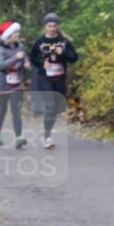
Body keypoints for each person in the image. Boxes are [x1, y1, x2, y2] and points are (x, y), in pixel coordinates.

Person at [28, 13, 78, 149]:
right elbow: (32, 58)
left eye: (54, 26)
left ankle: (47, 130)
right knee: (50, 105)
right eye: (49, 26)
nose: (52, 29)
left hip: (59, 79)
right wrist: (42, 62)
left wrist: (64, 53)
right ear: (45, 27)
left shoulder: (64, 42)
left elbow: (74, 58)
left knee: (55, 109)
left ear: (58, 26)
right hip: (44, 78)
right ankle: (47, 137)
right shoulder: (40, 42)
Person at [0, 21, 28, 148]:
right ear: (8, 36)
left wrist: (26, 62)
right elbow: (0, 65)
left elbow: (24, 56)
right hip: (1, 85)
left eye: (18, 32)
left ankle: (19, 137)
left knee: (16, 111)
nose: (18, 34)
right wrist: (15, 58)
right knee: (1, 111)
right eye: (15, 32)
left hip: (16, 84)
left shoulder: (20, 46)